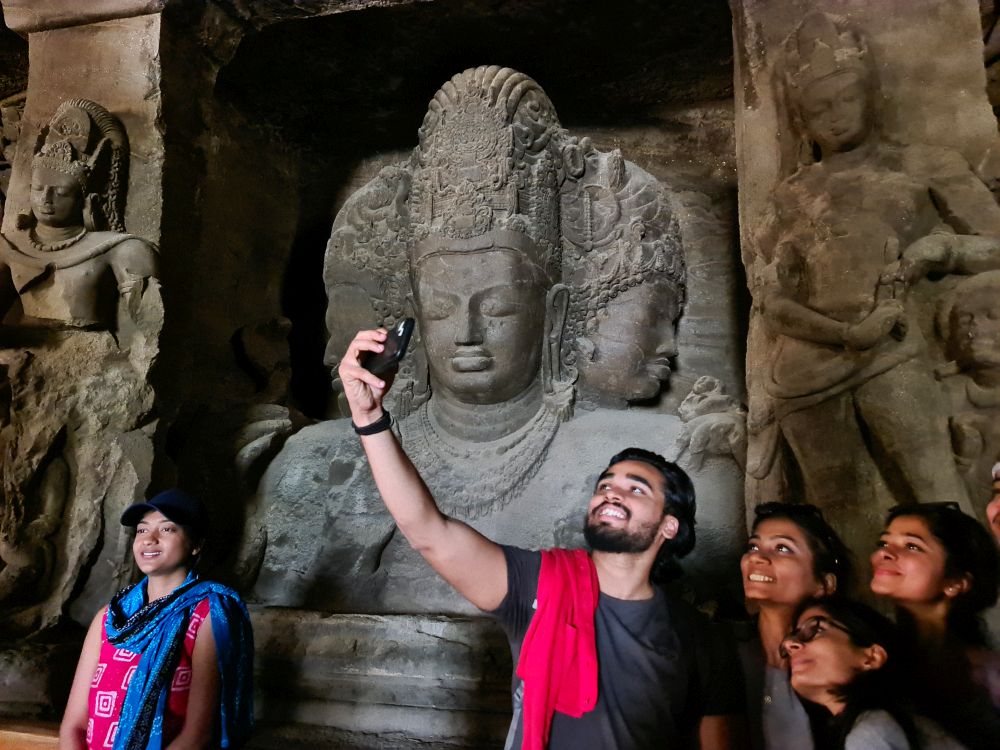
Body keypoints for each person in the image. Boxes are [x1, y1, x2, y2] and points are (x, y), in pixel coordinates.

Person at [338, 328, 744, 749]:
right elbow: (428, 532)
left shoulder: (701, 639)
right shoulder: (539, 584)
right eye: (605, 484)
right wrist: (369, 419)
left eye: (636, 489)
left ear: (669, 526)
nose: (611, 493)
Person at [59, 489, 254, 750]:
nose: (148, 539)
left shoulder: (208, 614)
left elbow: (198, 735)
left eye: (167, 530)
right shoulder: (109, 618)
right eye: (141, 530)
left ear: (196, 544)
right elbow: (74, 725)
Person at [870, 503, 1000, 749]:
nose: (884, 554)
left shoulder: (989, 674)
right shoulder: (871, 656)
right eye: (883, 543)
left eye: (912, 546)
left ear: (956, 582)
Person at [738, 502, 852, 750]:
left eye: (782, 548)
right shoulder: (720, 649)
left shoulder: (842, 659)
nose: (756, 557)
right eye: (753, 546)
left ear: (824, 584)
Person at [782, 597, 964, 750]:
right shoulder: (897, 722)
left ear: (872, 657)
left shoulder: (872, 731)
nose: (790, 645)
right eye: (792, 638)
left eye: (815, 629)